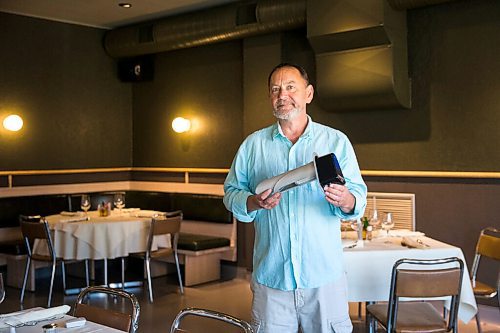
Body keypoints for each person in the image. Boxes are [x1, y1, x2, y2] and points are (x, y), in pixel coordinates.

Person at [223, 63, 367, 333]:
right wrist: (254, 202)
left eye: (291, 87)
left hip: (324, 279)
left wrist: (346, 199)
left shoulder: (336, 141)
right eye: (275, 89)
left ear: (308, 93)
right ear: (269, 97)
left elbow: (358, 197)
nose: (282, 95)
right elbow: (231, 194)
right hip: (272, 279)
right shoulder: (252, 146)